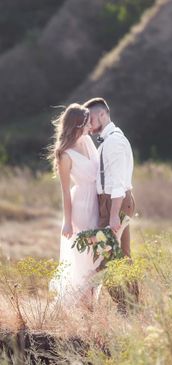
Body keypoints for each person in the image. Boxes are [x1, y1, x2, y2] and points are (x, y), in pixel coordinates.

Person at [84, 97, 138, 311]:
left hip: (115, 202)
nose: (89, 125)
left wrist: (113, 214)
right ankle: (131, 307)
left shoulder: (114, 141)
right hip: (115, 202)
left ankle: (127, 306)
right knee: (121, 256)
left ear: (102, 115)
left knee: (105, 257)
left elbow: (116, 181)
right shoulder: (110, 140)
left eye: (90, 119)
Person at [48, 103, 102, 308]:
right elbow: (64, 190)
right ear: (78, 124)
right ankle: (80, 307)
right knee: (85, 258)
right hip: (81, 205)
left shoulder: (88, 141)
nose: (91, 126)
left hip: (97, 202)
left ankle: (91, 305)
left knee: (98, 255)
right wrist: (67, 222)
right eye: (88, 123)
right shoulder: (65, 154)